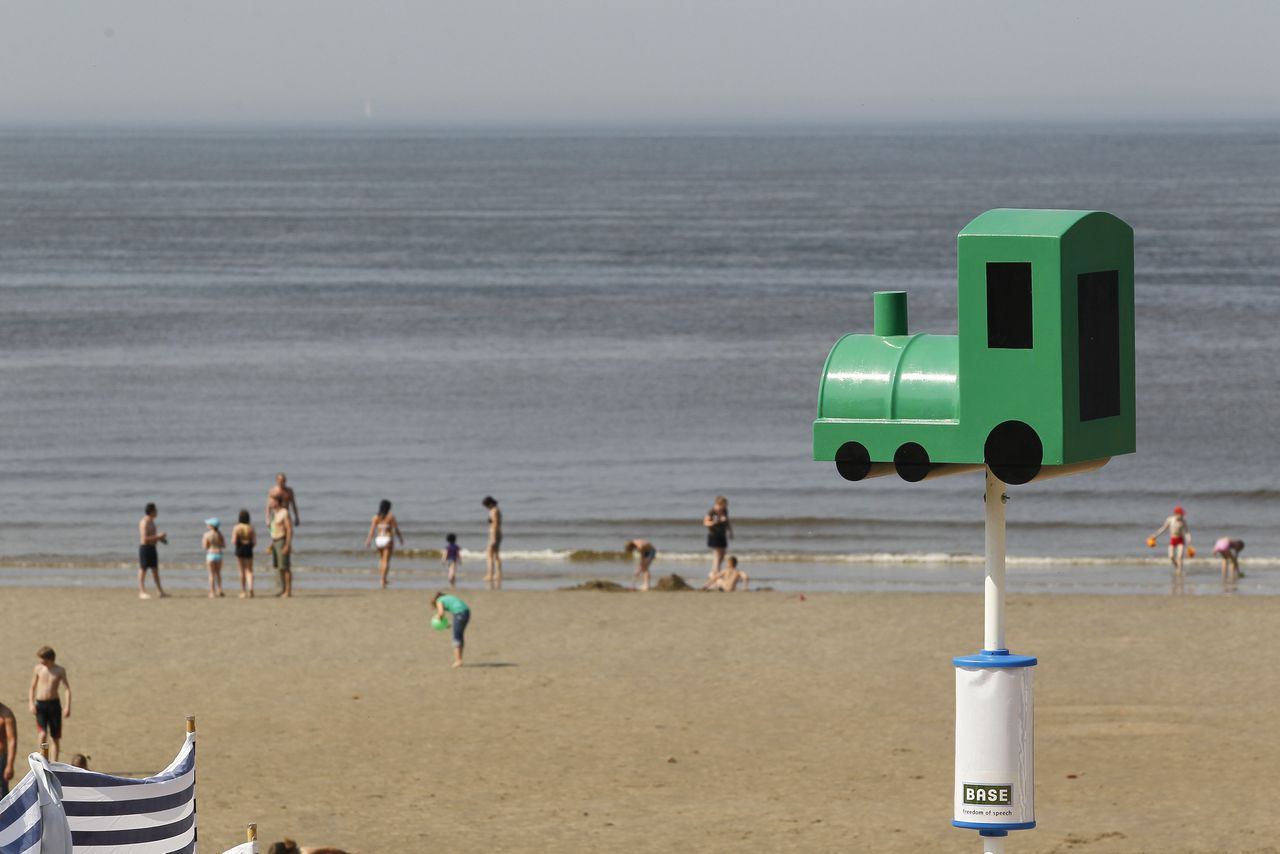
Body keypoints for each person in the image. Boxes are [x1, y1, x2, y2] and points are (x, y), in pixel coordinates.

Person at [29, 647, 71, 762]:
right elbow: (32, 687)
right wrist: (31, 703)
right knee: (42, 734)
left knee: (55, 737)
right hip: (40, 705)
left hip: (54, 705)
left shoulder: (59, 670)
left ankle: (54, 762)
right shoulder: (38, 669)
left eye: (42, 659)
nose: (40, 661)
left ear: (49, 659)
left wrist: (67, 706)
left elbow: (67, 689)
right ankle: (42, 759)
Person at [364, 500, 404, 589]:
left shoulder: (375, 517)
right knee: (386, 561)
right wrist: (400, 538)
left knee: (381, 560)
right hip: (387, 539)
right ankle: (383, 579)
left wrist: (368, 541)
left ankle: (382, 578)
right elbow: (396, 529)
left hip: (378, 539)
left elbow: (371, 531)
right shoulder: (390, 517)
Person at [432, 592, 472, 668]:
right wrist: (445, 624)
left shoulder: (439, 600)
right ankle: (459, 660)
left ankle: (458, 661)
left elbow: (441, 613)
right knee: (459, 635)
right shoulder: (448, 597)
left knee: (457, 637)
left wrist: (437, 618)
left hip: (460, 613)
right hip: (466, 612)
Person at [137, 503, 169, 599]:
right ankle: (142, 592)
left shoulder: (152, 522)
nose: (157, 512)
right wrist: (158, 536)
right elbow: (144, 538)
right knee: (143, 569)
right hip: (145, 548)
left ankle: (160, 591)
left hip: (152, 548)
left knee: (155, 570)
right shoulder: (144, 522)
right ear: (151, 511)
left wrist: (161, 539)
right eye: (155, 511)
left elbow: (153, 536)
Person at [1149, 506, 1192, 574]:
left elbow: (1187, 532)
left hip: (1180, 540)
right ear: (1176, 514)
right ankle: (1177, 565)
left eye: (1182, 514)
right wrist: (1155, 535)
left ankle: (1179, 571)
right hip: (1173, 539)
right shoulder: (1170, 520)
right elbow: (1163, 528)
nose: (1182, 515)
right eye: (1181, 514)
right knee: (1171, 556)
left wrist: (1189, 540)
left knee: (1180, 556)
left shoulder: (1183, 521)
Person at [703, 496, 733, 580]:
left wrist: (730, 531)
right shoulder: (712, 512)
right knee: (717, 555)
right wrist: (716, 521)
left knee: (723, 554)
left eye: (725, 505)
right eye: (724, 504)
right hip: (714, 535)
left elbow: (727, 522)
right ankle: (716, 573)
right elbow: (705, 523)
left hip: (722, 535)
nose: (725, 506)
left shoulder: (725, 511)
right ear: (719, 504)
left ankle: (713, 572)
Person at [269, 498, 294, 597]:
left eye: (272, 501)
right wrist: (272, 544)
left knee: (285, 567)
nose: (270, 503)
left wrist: (287, 544)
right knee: (280, 568)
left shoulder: (284, 513)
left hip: (282, 540)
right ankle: (283, 589)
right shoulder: (273, 513)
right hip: (275, 541)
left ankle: (288, 590)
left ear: (277, 502)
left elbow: (289, 529)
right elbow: (273, 529)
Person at [233, 509, 257, 598]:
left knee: (241, 570)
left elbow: (234, 541)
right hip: (248, 548)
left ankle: (243, 591)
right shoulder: (251, 527)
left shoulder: (236, 527)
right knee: (249, 570)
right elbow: (254, 542)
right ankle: (251, 588)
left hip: (240, 548)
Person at [482, 496, 503, 589]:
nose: (486, 508)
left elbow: (495, 524)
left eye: (486, 506)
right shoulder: (496, 510)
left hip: (494, 534)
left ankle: (490, 574)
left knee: (489, 555)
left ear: (490, 503)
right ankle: (498, 574)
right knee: (496, 555)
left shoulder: (494, 511)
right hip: (497, 533)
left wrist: (493, 537)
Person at [202, 518, 225, 598]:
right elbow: (223, 545)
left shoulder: (207, 534)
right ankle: (220, 590)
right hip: (219, 554)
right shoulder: (220, 534)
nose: (207, 525)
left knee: (211, 574)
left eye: (208, 524)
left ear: (211, 526)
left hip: (211, 554)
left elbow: (205, 546)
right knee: (218, 573)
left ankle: (212, 592)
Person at [0, 699, 15, 798]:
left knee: (3, 793)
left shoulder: (6, 714)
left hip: (1, 759)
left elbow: (12, 740)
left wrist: (10, 765)